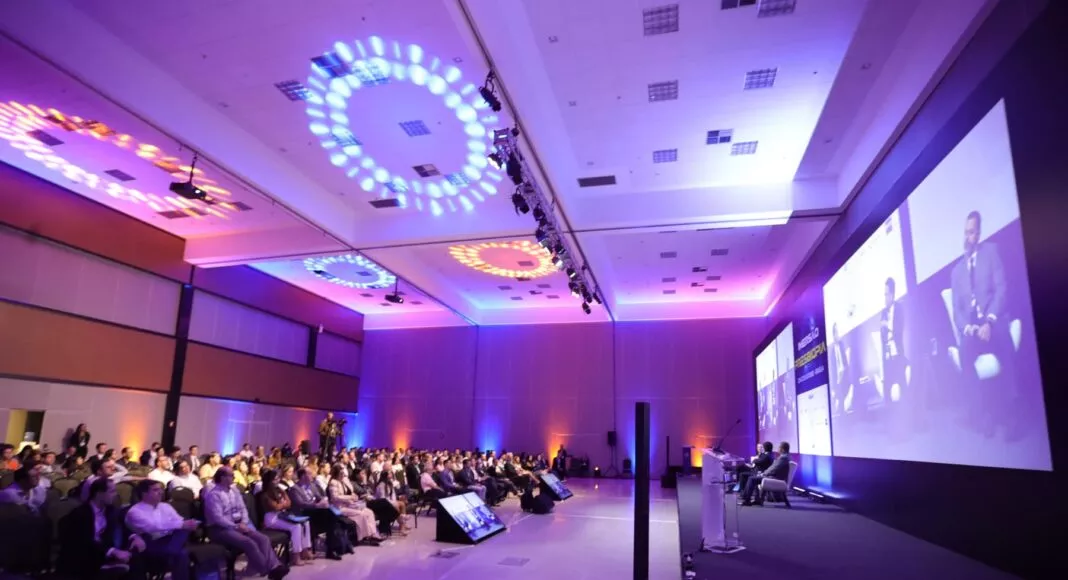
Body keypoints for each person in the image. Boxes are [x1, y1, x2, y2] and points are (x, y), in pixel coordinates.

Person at [950, 211, 1015, 429]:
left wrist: (989, 321)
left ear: (978, 233)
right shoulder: (956, 272)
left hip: (992, 322)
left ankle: (1012, 413)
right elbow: (957, 310)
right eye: (966, 232)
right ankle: (980, 415)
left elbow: (1001, 289)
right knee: (964, 351)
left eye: (973, 232)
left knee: (1004, 340)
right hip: (973, 329)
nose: (969, 237)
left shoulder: (991, 252)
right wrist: (968, 328)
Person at [202, 467, 288, 580]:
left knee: (263, 539)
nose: (234, 477)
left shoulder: (234, 491)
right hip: (219, 529)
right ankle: (268, 570)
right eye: (231, 475)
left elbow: (243, 508)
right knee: (249, 542)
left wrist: (243, 522)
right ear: (222, 478)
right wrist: (236, 526)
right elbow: (218, 518)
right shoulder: (214, 495)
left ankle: (275, 567)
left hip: (239, 525)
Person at [58, 478, 147, 578]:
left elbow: (122, 526)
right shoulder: (80, 513)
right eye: (112, 491)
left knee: (136, 558)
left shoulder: (111, 510)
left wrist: (134, 536)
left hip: (104, 552)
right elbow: (84, 541)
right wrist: (112, 551)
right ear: (99, 493)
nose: (116, 495)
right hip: (84, 557)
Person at [124, 479, 210, 580]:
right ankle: (174, 550)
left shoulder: (165, 506)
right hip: (151, 543)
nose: (161, 492)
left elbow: (179, 520)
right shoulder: (135, 511)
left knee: (183, 537)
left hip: (171, 539)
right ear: (144, 493)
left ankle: (173, 549)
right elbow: (153, 527)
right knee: (182, 552)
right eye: (155, 490)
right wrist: (181, 525)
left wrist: (189, 524)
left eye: (161, 489)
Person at [287, 467, 349, 560]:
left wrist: (324, 500)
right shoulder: (294, 489)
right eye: (309, 474)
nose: (312, 476)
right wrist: (316, 505)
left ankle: (334, 548)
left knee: (332, 515)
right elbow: (301, 504)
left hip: (315, 512)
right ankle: (334, 548)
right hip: (304, 513)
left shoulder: (312, 486)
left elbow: (320, 497)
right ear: (303, 476)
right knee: (331, 515)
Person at [258, 470, 313, 566]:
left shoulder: (279, 490)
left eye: (277, 479)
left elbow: (289, 503)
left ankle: (305, 550)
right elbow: (275, 507)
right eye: (275, 479)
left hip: (282, 515)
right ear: (269, 481)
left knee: (305, 522)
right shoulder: (265, 494)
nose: (277, 481)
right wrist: (283, 504)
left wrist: (282, 502)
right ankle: (296, 556)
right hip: (271, 519)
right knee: (296, 527)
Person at [740, 442, 792, 506]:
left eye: (779, 447)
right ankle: (756, 500)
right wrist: (764, 473)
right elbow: (773, 468)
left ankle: (747, 500)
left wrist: (763, 474)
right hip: (776, 477)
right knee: (754, 477)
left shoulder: (782, 458)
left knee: (752, 479)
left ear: (782, 449)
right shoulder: (786, 457)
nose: (778, 449)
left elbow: (773, 469)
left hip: (775, 478)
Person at [880, 277, 907, 403]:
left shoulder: (899, 309)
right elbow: (882, 337)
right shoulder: (883, 313)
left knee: (903, 385)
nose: (885, 298)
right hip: (887, 355)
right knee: (887, 388)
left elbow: (899, 330)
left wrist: (888, 326)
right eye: (884, 295)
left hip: (898, 354)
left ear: (892, 295)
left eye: (886, 294)